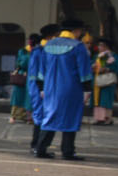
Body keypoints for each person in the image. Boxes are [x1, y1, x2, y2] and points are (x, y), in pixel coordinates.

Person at [31, 17, 90, 160]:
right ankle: (68, 151)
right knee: (71, 117)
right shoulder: (78, 46)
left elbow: (41, 70)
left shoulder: (48, 45)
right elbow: (84, 71)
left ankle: (41, 148)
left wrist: (41, 88)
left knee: (50, 116)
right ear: (76, 31)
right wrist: (87, 90)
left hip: (50, 87)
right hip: (71, 87)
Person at [11, 32, 40, 122]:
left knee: (29, 98)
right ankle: (14, 115)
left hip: (31, 77)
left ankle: (29, 117)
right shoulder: (23, 51)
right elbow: (21, 63)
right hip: (22, 76)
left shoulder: (38, 51)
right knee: (18, 96)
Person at [93, 34, 118, 125]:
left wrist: (106, 69)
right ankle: (99, 118)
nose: (99, 47)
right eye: (99, 45)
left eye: (101, 45)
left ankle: (107, 118)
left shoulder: (113, 56)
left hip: (107, 81)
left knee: (106, 100)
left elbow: (117, 68)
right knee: (97, 100)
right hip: (97, 80)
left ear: (106, 46)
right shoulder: (97, 56)